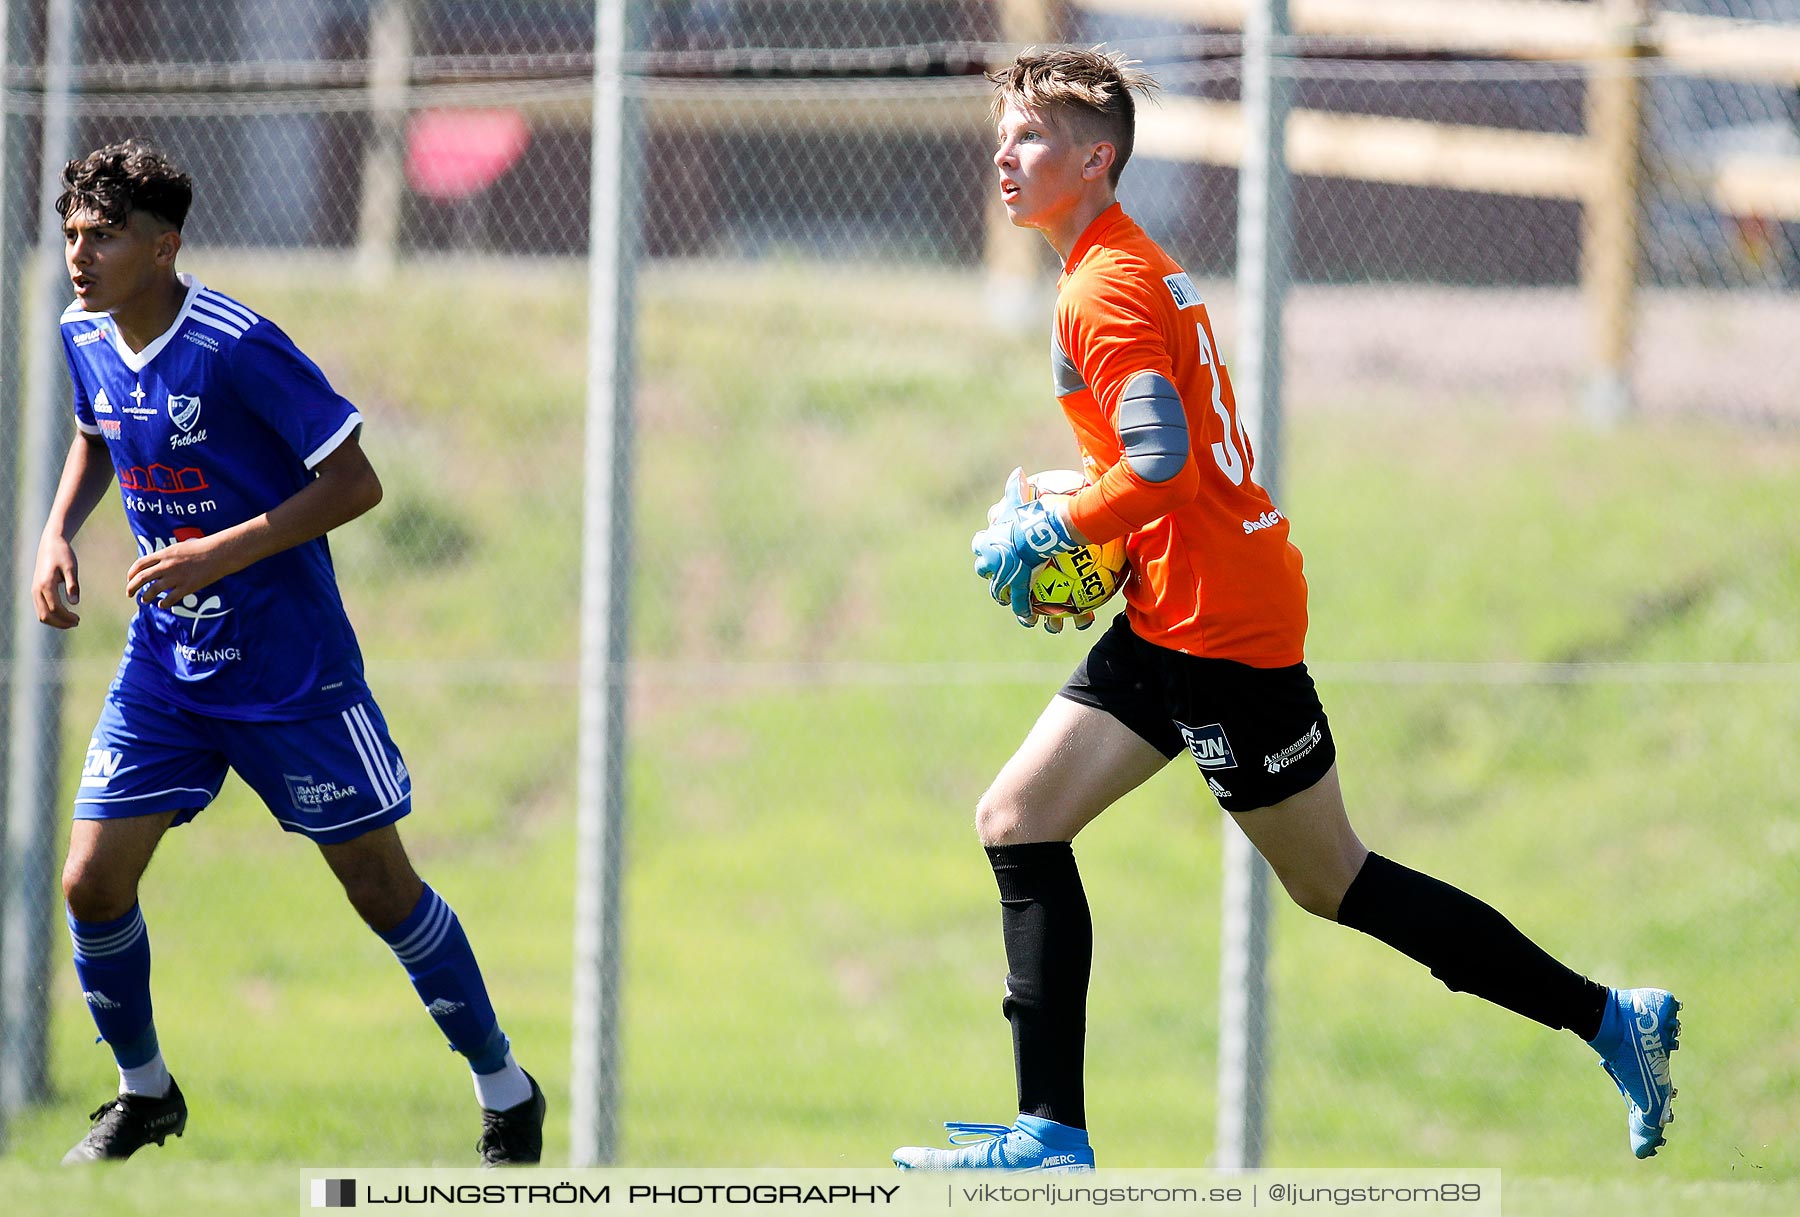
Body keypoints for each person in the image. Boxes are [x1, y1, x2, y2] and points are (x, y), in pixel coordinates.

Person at [893, 49, 1679, 1171]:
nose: (1004, 155)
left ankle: (1611, 1019)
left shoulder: (1103, 284)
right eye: (1003, 132)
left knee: (1334, 879)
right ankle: (1048, 1132)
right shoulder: (1116, 265)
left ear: (1095, 158)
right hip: (1181, 610)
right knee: (1018, 817)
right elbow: (1160, 466)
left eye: (1028, 137)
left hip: (1219, 631)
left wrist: (1063, 528)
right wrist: (1097, 525)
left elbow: (1159, 464)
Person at [32, 140, 545, 1166]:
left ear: (165, 245)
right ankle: (144, 1092)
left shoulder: (235, 345)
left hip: (290, 669)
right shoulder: (84, 330)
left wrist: (221, 550)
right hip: (168, 667)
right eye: (72, 235)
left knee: (379, 888)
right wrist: (52, 532)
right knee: (90, 879)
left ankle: (505, 1085)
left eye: (104, 237)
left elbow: (356, 482)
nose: (80, 255)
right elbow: (98, 427)